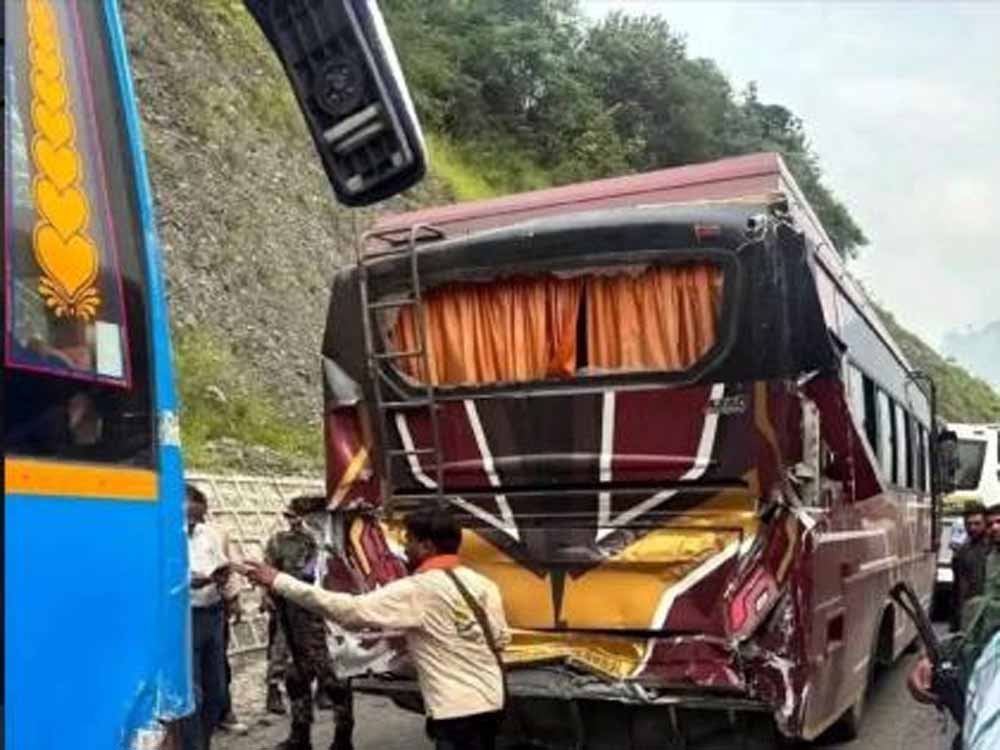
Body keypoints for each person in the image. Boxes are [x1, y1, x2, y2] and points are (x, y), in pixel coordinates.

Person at [243, 506, 509, 750]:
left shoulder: (417, 590)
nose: (404, 548)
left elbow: (349, 610)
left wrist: (279, 580)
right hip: (492, 700)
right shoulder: (483, 584)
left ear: (427, 546)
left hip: (455, 712)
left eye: (409, 541)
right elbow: (499, 639)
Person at [264, 498, 355, 750]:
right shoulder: (280, 542)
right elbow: (270, 573)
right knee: (296, 678)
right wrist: (269, 597)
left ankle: (343, 737)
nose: (294, 522)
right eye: (291, 516)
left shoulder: (334, 542)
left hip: (328, 624)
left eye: (299, 517)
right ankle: (300, 735)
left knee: (336, 681)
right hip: (294, 621)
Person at [909, 504, 1000, 749]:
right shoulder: (976, 556)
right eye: (990, 523)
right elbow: (969, 615)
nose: (993, 528)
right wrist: (931, 656)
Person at [183, 484, 241, 750]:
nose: (195, 524)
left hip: (213, 614)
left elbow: (223, 565)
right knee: (192, 693)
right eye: (190, 519)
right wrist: (188, 582)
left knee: (216, 691)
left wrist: (225, 582)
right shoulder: (163, 536)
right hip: (185, 619)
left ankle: (204, 742)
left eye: (199, 518)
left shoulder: (208, 534)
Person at [951, 502, 989, 632]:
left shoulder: (993, 548)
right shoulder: (963, 551)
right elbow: (958, 588)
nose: (972, 528)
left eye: (977, 524)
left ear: (985, 523)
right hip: (968, 613)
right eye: (969, 524)